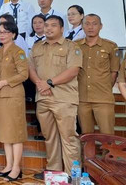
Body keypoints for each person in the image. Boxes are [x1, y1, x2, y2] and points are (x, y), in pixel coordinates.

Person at [29, 15, 82, 179]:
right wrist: (40, 84)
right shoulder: (37, 47)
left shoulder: (71, 47)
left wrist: (49, 83)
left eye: (53, 25)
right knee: (49, 137)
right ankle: (53, 171)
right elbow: (30, 68)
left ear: (61, 29)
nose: (48, 28)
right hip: (43, 98)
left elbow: (73, 70)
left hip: (64, 99)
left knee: (68, 138)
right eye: (46, 25)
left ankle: (73, 175)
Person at [0, 22, 29, 182]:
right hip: (0, 97)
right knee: (6, 134)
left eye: (5, 32)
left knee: (16, 134)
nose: (1, 34)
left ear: (13, 34)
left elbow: (24, 74)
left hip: (13, 96)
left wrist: (4, 82)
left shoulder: (18, 52)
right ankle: (8, 166)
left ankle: (16, 168)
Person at [76, 14, 119, 135]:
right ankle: (89, 154)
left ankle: (108, 154)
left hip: (103, 98)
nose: (90, 27)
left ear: (101, 26)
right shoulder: (75, 46)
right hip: (82, 98)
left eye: (94, 24)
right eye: (87, 24)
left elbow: (114, 72)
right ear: (82, 26)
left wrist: (104, 88)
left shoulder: (110, 46)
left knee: (107, 134)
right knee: (86, 134)